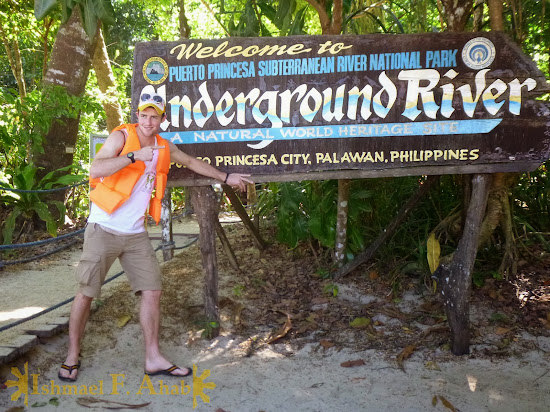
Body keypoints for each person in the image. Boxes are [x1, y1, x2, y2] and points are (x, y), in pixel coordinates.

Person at [58, 92, 253, 381]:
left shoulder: (164, 146)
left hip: (136, 234)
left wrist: (226, 177)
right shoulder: (122, 137)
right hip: (104, 229)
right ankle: (72, 354)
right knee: (87, 292)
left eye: (155, 116)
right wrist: (133, 156)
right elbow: (95, 168)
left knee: (152, 291)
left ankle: (153, 357)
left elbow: (190, 162)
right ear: (137, 115)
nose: (149, 121)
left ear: (163, 119)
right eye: (144, 115)